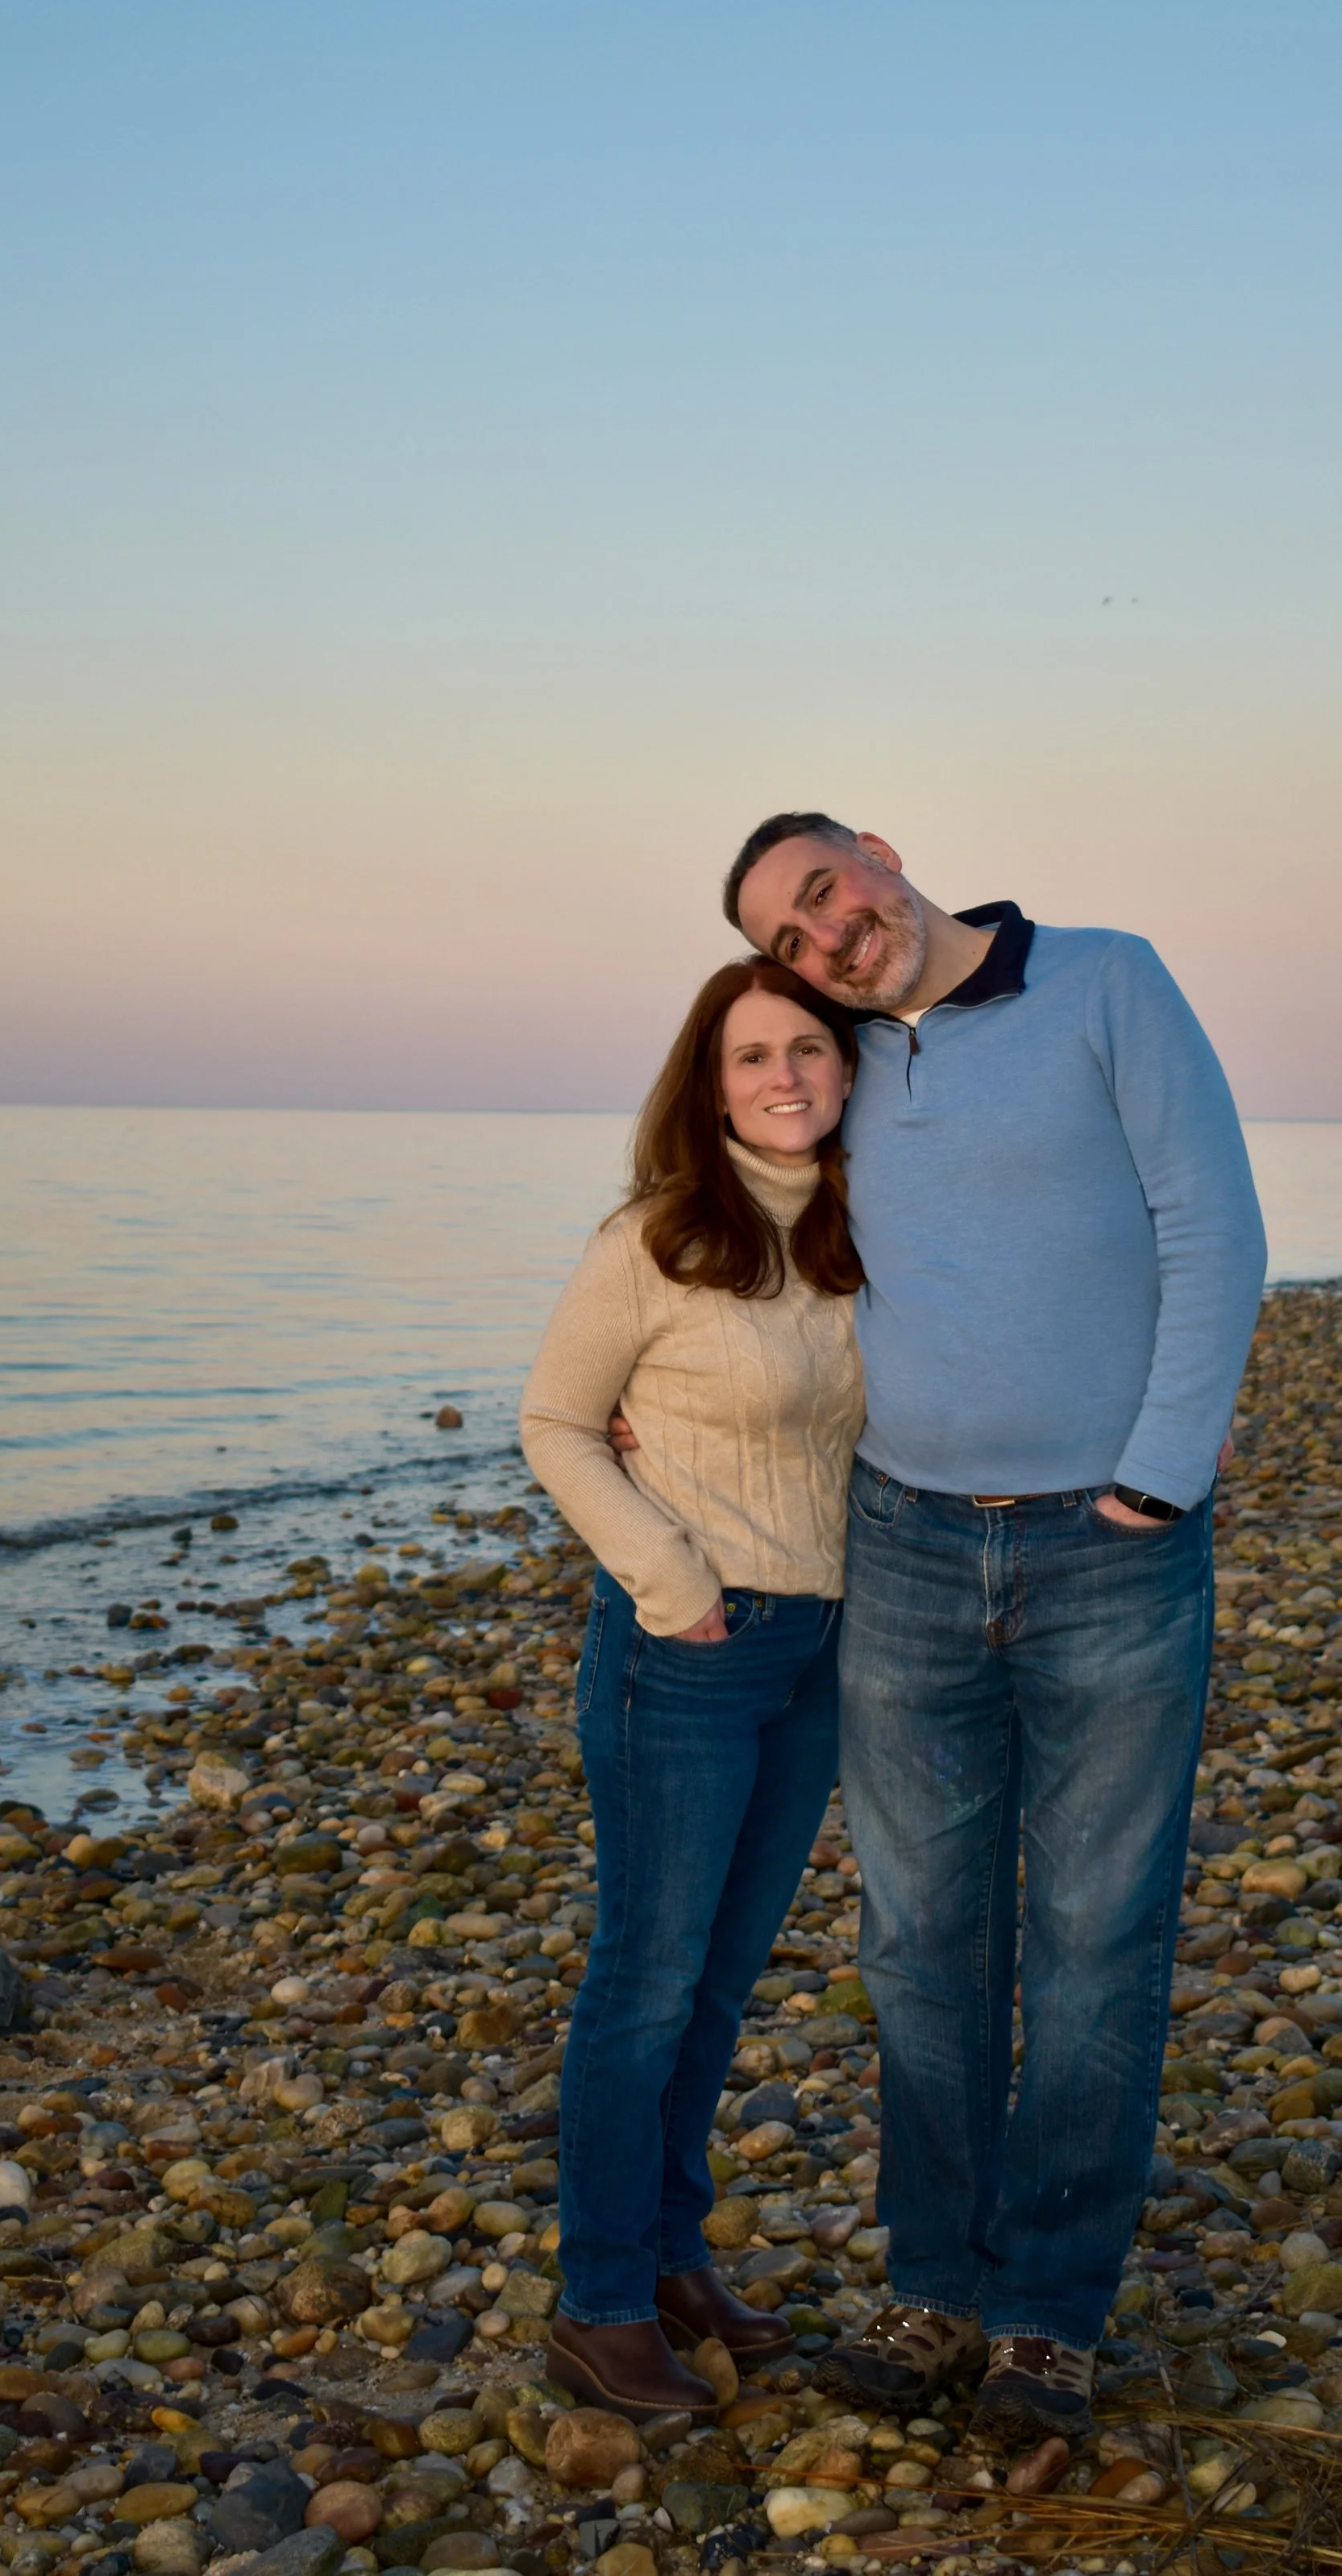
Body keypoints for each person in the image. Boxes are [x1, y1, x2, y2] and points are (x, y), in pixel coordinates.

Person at [724, 815, 1268, 2453]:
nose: (824, 936)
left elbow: (1209, 1227)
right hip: (900, 1542)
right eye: (787, 937)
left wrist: (1161, 1481)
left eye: (824, 890)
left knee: (1097, 1941)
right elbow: (732, 1225)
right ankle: (933, 2283)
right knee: (917, 1943)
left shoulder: (1104, 983)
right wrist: (637, 1417)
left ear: (880, 855)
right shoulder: (834, 1062)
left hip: (1108, 1544)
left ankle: (1047, 2311)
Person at [520, 958, 866, 2415]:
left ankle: (673, 2257)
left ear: (850, 1068)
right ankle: (597, 2302)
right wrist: (671, 1579)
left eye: (808, 1047)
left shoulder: (866, 1231)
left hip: (826, 1651)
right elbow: (554, 1421)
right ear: (707, 1083)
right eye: (750, 1057)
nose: (784, 1075)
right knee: (646, 1981)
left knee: (720, 1981)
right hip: (691, 1653)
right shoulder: (656, 1237)